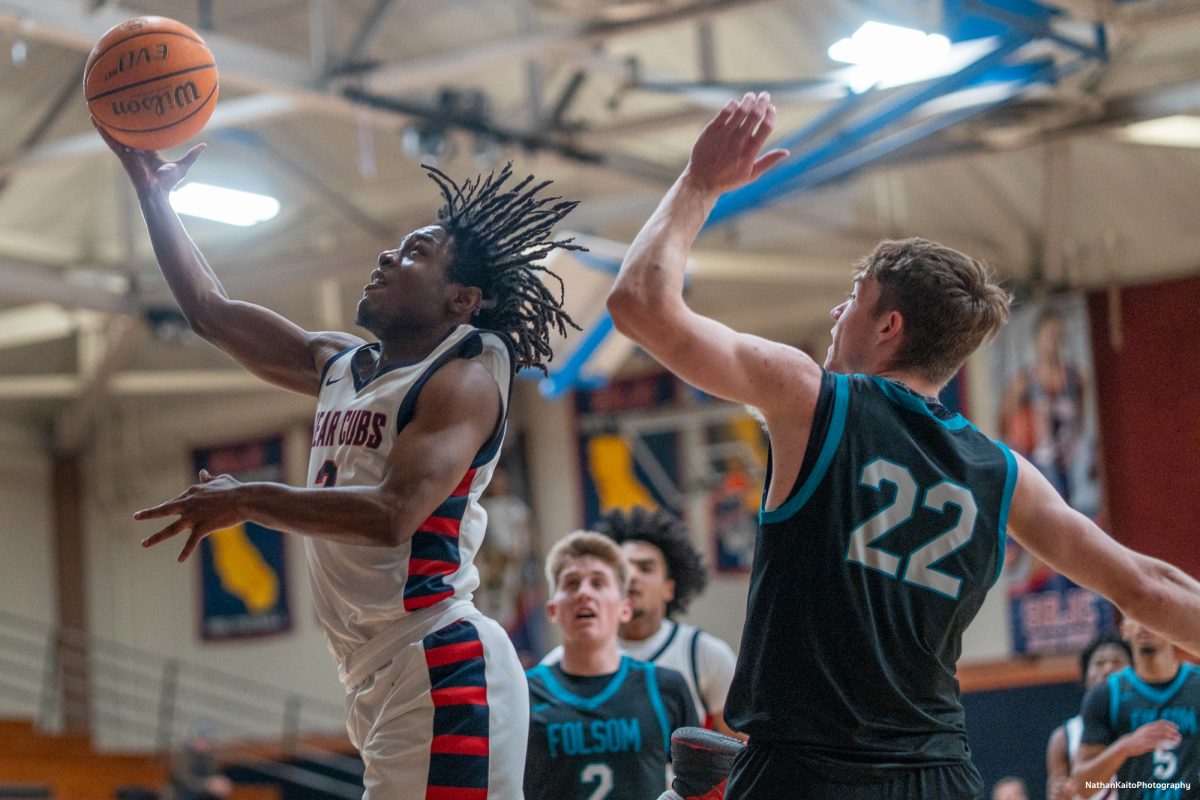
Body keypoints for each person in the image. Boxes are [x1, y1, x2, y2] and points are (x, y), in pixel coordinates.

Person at [605, 90, 1200, 799]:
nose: (836, 310)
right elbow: (1148, 587)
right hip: (938, 777)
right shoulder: (1004, 473)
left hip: (806, 771)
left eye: (853, 295)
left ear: (889, 326)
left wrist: (700, 183)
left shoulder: (814, 398)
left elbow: (640, 304)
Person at [99, 122, 582, 799]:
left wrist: (249, 498)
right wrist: (155, 197)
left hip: (439, 659)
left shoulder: (464, 376)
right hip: (374, 670)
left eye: (415, 252)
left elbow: (393, 515)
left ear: (461, 300)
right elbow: (210, 311)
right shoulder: (342, 365)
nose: (387, 256)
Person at [524, 531, 698, 799]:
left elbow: (699, 787)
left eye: (598, 582)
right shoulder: (522, 692)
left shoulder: (666, 686)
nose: (584, 593)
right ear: (552, 611)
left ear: (624, 608)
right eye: (571, 584)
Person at [541, 506, 739, 735]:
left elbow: (739, 750)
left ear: (669, 588)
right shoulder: (558, 665)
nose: (632, 576)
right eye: (622, 570)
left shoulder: (704, 654)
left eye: (645, 568)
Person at [1071, 620, 1200, 799]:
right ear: (1124, 629)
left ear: (1171, 625)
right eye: (1135, 616)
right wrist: (1124, 747)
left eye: (1151, 614)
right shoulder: (1105, 694)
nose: (1144, 624)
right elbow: (1083, 786)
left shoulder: (1196, 684)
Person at [1046, 632, 1133, 800]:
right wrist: (1060, 794)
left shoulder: (1147, 718)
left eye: (1117, 662)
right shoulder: (1064, 736)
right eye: (1099, 663)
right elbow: (1056, 795)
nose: (1108, 669)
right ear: (1085, 676)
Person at [164, 724, 232, 800]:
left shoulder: (210, 758)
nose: (205, 744)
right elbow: (182, 778)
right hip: (180, 793)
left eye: (208, 741)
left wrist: (221, 783)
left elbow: (214, 774)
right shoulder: (183, 755)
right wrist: (207, 784)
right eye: (202, 740)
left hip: (201, 793)